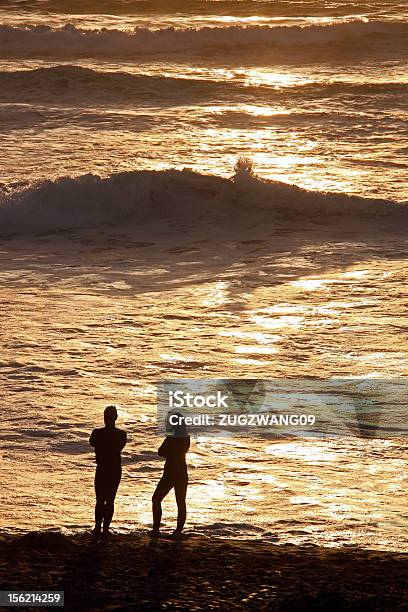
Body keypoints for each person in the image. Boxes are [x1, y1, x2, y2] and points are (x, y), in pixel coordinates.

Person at [89, 405, 127, 538]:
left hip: (104, 469)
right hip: (113, 469)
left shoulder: (97, 433)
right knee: (109, 500)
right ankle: (104, 528)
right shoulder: (121, 435)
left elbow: (93, 443)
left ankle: (99, 528)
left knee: (101, 500)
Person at [151, 413, 190, 537]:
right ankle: (177, 531)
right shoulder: (184, 438)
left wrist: (169, 452)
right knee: (180, 502)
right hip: (180, 472)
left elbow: (161, 451)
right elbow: (162, 452)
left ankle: (157, 529)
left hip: (171, 472)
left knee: (157, 499)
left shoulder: (172, 437)